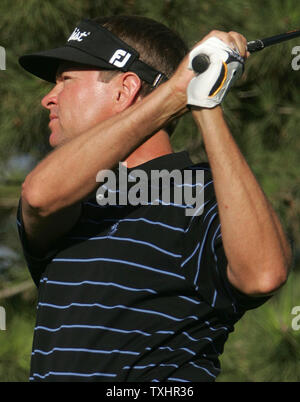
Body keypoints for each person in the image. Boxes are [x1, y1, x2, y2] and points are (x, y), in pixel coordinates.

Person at [17, 15, 291, 382]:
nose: (48, 98)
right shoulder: (72, 196)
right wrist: (176, 92)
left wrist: (204, 105)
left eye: (66, 80)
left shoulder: (204, 192)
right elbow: (39, 197)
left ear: (124, 89)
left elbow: (262, 274)